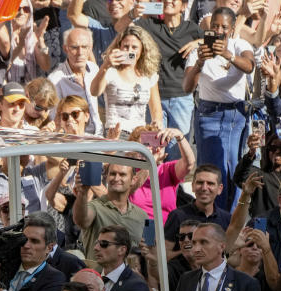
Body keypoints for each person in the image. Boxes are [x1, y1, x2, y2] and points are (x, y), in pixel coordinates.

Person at [182, 8, 254, 209]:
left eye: (224, 27)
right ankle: (212, 216)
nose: (219, 30)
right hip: (208, 116)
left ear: (231, 30)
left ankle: (231, 218)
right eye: (215, 25)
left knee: (232, 169)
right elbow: (187, 86)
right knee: (212, 169)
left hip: (235, 116)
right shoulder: (200, 50)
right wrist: (199, 63)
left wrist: (226, 54)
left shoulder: (239, 45)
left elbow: (249, 65)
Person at [135, 0, 202, 158]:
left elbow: (218, 42)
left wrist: (199, 42)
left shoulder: (191, 29)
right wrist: (144, 8)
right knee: (155, 148)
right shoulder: (150, 26)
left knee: (177, 149)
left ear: (184, 6)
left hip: (183, 98)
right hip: (156, 99)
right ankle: (154, 181)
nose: (169, 1)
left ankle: (174, 182)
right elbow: (128, 28)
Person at [88, 25, 161, 138]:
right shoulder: (111, 72)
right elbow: (94, 91)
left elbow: (156, 110)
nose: (129, 51)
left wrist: (156, 124)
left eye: (134, 47)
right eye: (126, 47)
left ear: (142, 50)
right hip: (116, 134)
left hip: (140, 135)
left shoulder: (149, 75)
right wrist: (106, 65)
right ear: (119, 47)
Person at [73, 164, 148, 260]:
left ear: (133, 180)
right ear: (106, 177)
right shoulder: (95, 206)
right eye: (112, 174)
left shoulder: (142, 216)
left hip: (130, 274)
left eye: (122, 174)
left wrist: (146, 250)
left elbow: (150, 249)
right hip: (99, 274)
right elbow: (81, 221)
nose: (116, 178)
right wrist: (82, 193)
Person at [164, 165, 232, 254]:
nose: (204, 188)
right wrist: (186, 253)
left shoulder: (227, 219)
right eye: (200, 183)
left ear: (219, 189)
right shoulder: (177, 216)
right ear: (193, 186)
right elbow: (163, 257)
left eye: (210, 184)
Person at [47, 28, 103, 135]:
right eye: (74, 47)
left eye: (84, 47)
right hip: (72, 140)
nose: (80, 52)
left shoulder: (94, 69)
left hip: (98, 136)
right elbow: (54, 120)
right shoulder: (55, 80)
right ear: (65, 49)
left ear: (90, 49)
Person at [93, 225, 149, 291]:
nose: (96, 248)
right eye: (97, 243)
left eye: (104, 244)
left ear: (122, 250)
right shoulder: (91, 279)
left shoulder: (136, 285)